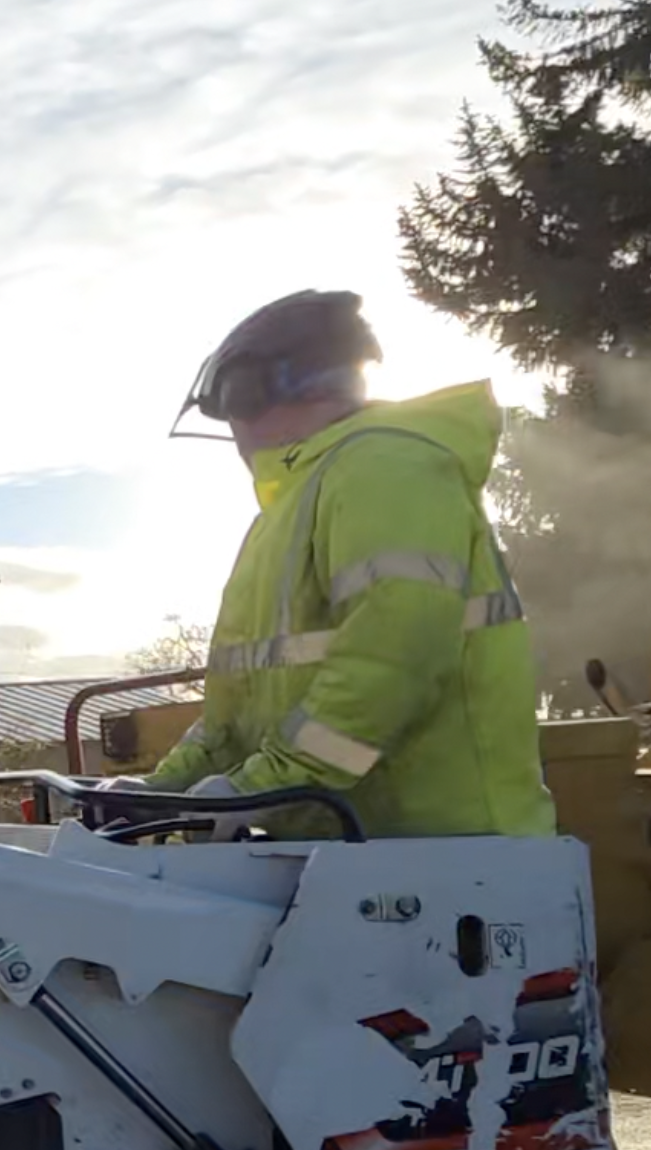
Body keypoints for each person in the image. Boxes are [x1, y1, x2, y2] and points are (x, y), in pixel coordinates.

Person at [116, 289, 556, 841]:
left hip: (451, 860)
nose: (232, 430)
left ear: (254, 390)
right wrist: (162, 789)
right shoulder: (289, 511)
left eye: (230, 404)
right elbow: (241, 710)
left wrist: (263, 788)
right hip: (356, 863)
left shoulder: (385, 468)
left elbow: (395, 654)